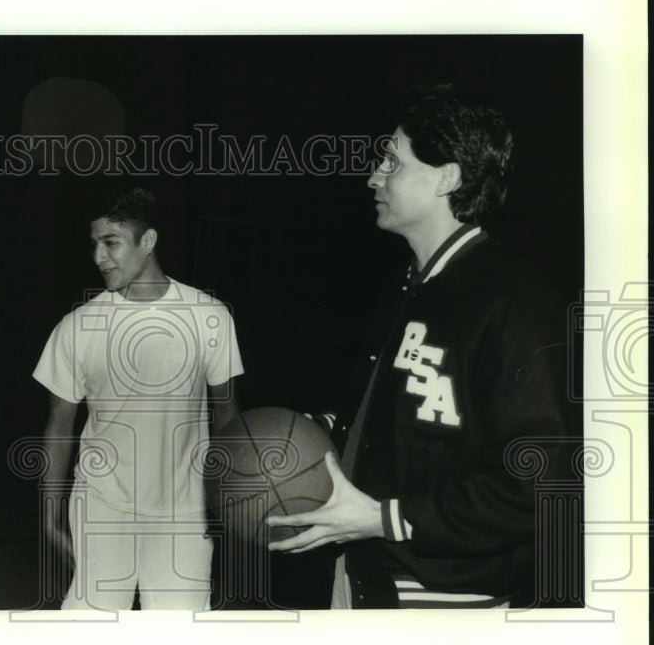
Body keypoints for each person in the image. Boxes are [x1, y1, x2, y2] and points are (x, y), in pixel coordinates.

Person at [269, 85, 577, 609]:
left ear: (447, 177)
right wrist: (318, 431)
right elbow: (407, 428)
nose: (373, 176)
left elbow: (542, 484)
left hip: (443, 594)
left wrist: (384, 517)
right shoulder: (408, 286)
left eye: (392, 161)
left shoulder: (513, 301)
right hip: (365, 573)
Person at [33, 188, 244, 610]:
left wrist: (232, 499)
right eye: (93, 244)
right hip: (102, 506)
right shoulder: (78, 325)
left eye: (110, 243)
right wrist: (49, 513)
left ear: (147, 242)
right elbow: (58, 426)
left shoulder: (210, 316)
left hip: (185, 513)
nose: (98, 257)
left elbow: (228, 417)